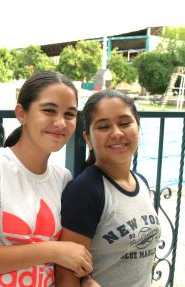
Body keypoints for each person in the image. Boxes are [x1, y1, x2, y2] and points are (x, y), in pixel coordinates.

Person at [0, 71, 93, 287]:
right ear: (21, 113)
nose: (61, 123)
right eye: (49, 110)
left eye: (69, 114)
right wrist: (52, 251)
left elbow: (69, 258)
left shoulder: (63, 178)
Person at [56, 89, 162, 287]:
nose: (117, 133)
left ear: (137, 127)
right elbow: (66, 275)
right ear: (88, 139)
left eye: (125, 123)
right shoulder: (87, 190)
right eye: (104, 126)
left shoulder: (141, 182)